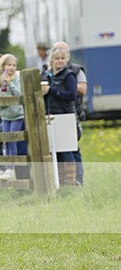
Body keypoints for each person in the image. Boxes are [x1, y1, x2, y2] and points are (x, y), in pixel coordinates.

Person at [0, 54, 26, 180]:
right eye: (9, 65)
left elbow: (20, 94)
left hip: (18, 115)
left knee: (12, 140)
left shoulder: (17, 79)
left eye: (13, 65)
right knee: (6, 141)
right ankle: (7, 169)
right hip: (5, 117)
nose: (11, 68)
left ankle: (10, 169)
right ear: (2, 66)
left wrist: (10, 83)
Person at [41, 46, 78, 186]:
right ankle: (58, 182)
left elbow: (71, 95)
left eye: (63, 58)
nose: (60, 61)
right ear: (51, 60)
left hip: (64, 115)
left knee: (66, 150)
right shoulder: (46, 75)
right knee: (53, 151)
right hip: (49, 116)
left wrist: (52, 90)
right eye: (57, 58)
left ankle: (70, 182)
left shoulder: (69, 75)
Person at [52, 40, 86, 185]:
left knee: (73, 149)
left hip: (72, 113)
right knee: (59, 149)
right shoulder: (48, 72)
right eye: (57, 52)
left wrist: (59, 88)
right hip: (54, 115)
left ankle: (77, 180)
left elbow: (81, 90)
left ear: (68, 55)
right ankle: (62, 181)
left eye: (62, 53)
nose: (60, 58)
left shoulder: (76, 71)